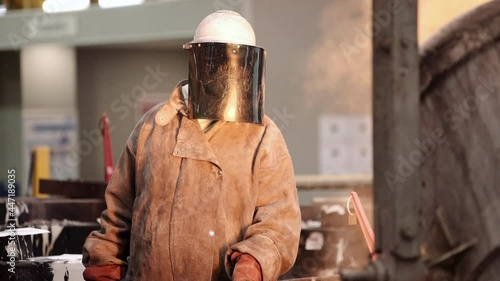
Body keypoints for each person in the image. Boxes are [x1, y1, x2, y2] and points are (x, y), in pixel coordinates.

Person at [82, 10, 301, 281]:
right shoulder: (153, 126)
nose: (225, 73)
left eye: (234, 64)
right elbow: (119, 209)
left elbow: (280, 223)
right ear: (196, 59)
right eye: (216, 61)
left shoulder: (263, 135)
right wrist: (105, 258)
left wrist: (255, 260)